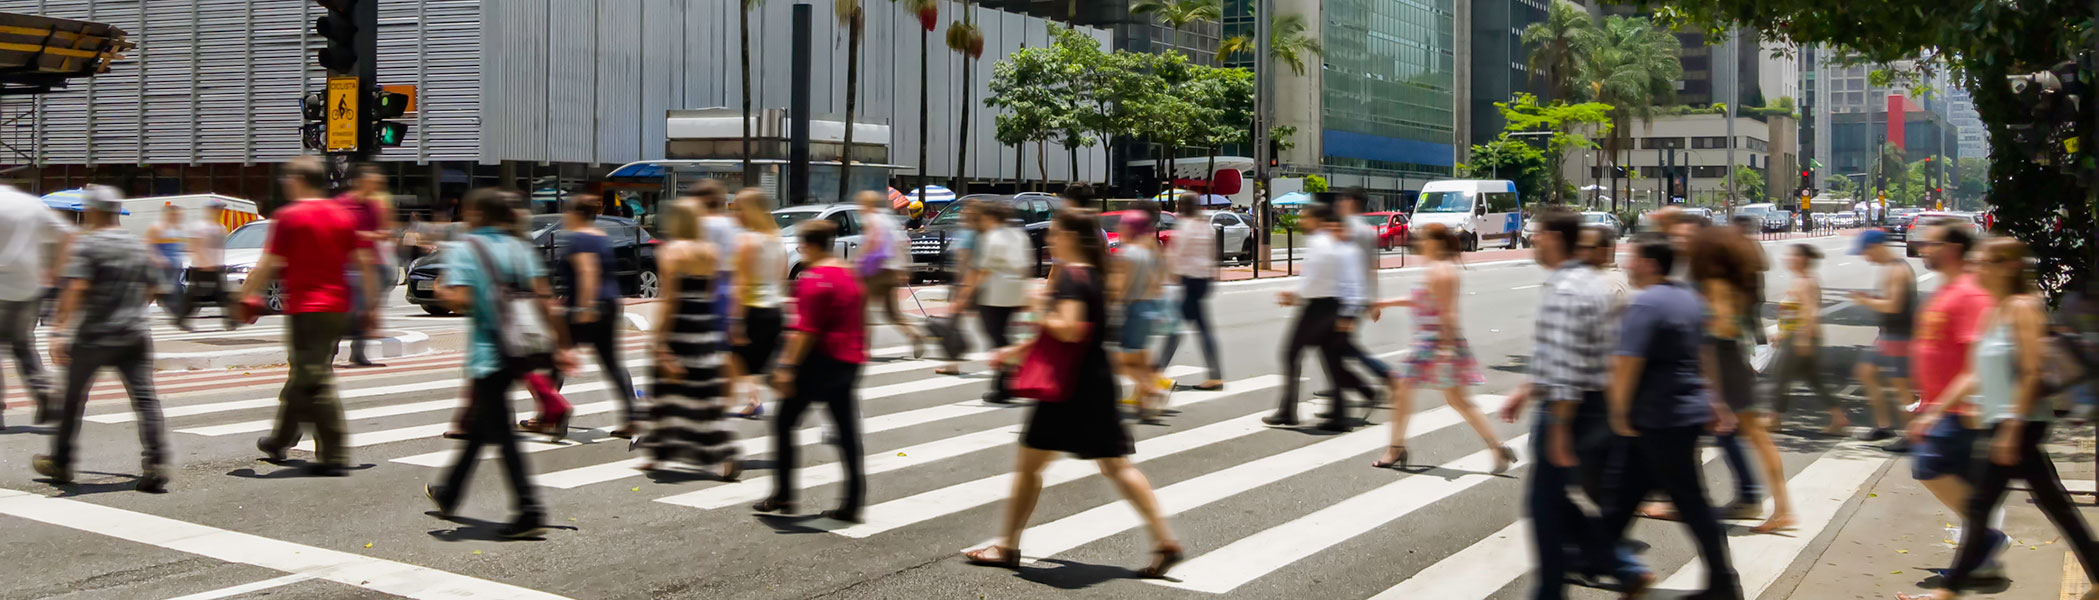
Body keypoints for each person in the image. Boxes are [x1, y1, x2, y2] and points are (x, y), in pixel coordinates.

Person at [962, 209, 1182, 578]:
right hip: (1095, 382)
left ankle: (1008, 546)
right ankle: (1165, 540)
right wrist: (1015, 351)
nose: (1049, 240)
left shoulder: (1072, 278)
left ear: (1071, 238)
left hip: (1067, 388)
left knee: (1030, 467)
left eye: (1055, 233)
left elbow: (1068, 329)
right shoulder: (1095, 275)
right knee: (1115, 465)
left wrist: (1037, 309)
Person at [1901, 238, 2099, 600]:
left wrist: (2010, 428)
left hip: (2019, 423)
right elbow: (1974, 373)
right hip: (2006, 422)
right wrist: (1934, 413)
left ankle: (1947, 592)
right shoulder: (1997, 308)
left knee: (1980, 509)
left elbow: (2030, 370)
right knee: (2054, 505)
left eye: (1985, 263)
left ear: (2008, 266)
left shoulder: (2024, 307)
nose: (1976, 268)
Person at [1493, 210, 1633, 599]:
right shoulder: (1577, 281)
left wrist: (1558, 426)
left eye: (1537, 234)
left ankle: (1554, 590)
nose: (1532, 240)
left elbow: (1569, 364)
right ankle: (1622, 566)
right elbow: (1559, 352)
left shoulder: (1569, 288)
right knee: (1552, 501)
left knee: (1544, 506)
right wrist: (1527, 389)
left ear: (1555, 238)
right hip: (1582, 402)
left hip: (1570, 407)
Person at [424, 188, 572, 539]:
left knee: (501, 432)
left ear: (476, 214)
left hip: (490, 350)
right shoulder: (520, 247)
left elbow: (462, 298)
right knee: (483, 425)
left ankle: (528, 509)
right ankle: (450, 491)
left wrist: (442, 291)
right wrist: (562, 344)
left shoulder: (468, 247)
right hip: (523, 348)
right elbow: (544, 299)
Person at [1603, 233, 1743, 600]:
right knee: (1624, 495)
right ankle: (1597, 557)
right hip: (1680, 414)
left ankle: (1724, 584)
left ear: (1650, 264)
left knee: (1690, 502)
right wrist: (1715, 400)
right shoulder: (1688, 298)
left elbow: (1627, 362)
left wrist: (1619, 412)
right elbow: (1706, 354)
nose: (1627, 264)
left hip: (1661, 417)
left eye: (1632, 258)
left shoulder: (1647, 303)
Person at [31, 186, 173, 493]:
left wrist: (58, 331)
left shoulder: (88, 245)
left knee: (72, 399)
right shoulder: (139, 245)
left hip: (94, 335)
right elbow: (156, 287)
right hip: (134, 334)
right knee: (145, 398)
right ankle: (156, 462)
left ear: (92, 211)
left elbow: (77, 288)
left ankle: (62, 461)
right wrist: (133, 309)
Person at [241, 156, 376, 477]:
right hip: (336, 309)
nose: (285, 182)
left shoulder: (289, 216)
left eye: (288, 176)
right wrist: (371, 307)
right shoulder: (343, 217)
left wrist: (244, 295)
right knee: (305, 373)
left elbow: (269, 264)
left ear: (301, 179)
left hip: (306, 309)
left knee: (314, 377)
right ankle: (280, 439)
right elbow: (364, 262)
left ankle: (334, 451)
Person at [1901, 221, 2010, 580]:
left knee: (1928, 465)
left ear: (1953, 249)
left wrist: (1937, 411)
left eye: (1932, 244)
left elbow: (1978, 360)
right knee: (1964, 480)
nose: (1924, 249)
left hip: (1964, 408)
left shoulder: (1970, 294)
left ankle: (1988, 539)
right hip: (1944, 405)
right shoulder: (1949, 290)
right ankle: (1983, 555)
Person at [1370, 223, 1513, 473]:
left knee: (1405, 391)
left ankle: (1396, 448)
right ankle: (1497, 447)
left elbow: (1447, 313)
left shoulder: (1442, 271)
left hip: (1434, 344)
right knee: (1457, 400)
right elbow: (1421, 299)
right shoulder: (1440, 269)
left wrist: (1446, 349)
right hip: (1438, 344)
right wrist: (1385, 302)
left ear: (1435, 243)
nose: (1419, 244)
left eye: (1423, 240)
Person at [754, 220, 870, 522]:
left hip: (819, 361)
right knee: (846, 431)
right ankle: (854, 500)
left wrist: (786, 367)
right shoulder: (850, 275)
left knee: (783, 422)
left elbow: (805, 331)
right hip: (849, 360)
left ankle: (784, 494)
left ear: (809, 246)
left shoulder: (814, 279)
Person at [1688, 226, 1790, 532]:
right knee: (1756, 437)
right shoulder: (1736, 282)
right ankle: (1780, 508)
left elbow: (1723, 327)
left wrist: (1701, 322)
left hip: (1725, 365)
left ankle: (1780, 509)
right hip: (1730, 363)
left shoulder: (1716, 284)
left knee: (1756, 436)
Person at [637, 197, 742, 479]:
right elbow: (710, 293)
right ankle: (724, 449)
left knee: (662, 393)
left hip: (680, 329)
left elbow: (670, 300)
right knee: (704, 394)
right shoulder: (710, 251)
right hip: (705, 327)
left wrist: (659, 341)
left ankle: (660, 451)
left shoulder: (672, 252)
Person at [534, 195, 641, 437]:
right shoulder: (601, 237)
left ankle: (551, 415)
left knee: (556, 359)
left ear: (575, 214)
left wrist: (584, 307)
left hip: (587, 307)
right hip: (610, 304)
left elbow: (587, 271)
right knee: (612, 363)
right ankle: (633, 418)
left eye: (567, 212)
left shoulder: (580, 239)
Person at [1264, 204, 1362, 432]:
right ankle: (1339, 414)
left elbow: (1314, 279)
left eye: (1304, 217)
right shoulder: (1333, 243)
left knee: (1290, 353)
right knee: (1330, 358)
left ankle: (1288, 410)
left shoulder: (1319, 243)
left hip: (1318, 307)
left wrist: (1293, 294)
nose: (1301, 221)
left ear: (1316, 220)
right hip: (1334, 306)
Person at [0, 183, 72, 426]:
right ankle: (44, 393)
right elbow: (68, 234)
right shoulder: (31, 204)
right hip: (28, 288)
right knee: (22, 344)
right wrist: (55, 269)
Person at [955, 199, 1031, 403]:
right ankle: (1005, 382)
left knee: (997, 339)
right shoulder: (1018, 235)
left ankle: (1005, 384)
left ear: (990, 217)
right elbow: (1026, 266)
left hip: (994, 295)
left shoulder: (992, 237)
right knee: (1003, 337)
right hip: (1015, 292)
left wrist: (964, 296)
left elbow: (981, 271)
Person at [1763, 244, 1843, 431]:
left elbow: (1810, 312)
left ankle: (1774, 419)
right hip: (1798, 337)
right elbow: (1795, 313)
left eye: (1793, 256)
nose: (1788, 259)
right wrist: (1782, 333)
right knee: (1814, 380)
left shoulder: (1806, 282)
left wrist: (1802, 339)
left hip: (1800, 339)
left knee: (1780, 377)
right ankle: (1839, 419)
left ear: (1802, 260)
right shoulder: (1801, 280)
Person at [1850, 229, 1917, 444]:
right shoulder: (1889, 268)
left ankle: (1913, 434)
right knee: (1866, 372)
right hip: (1888, 334)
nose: (1865, 257)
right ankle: (1884, 425)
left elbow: (1894, 305)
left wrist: (1865, 301)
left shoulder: (1898, 270)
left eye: (1865, 252)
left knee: (1901, 385)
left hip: (1900, 335)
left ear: (1876, 247)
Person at [1156, 192, 1225, 391]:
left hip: (1188, 282)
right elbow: (1214, 254)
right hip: (1203, 281)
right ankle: (1215, 375)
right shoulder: (1205, 227)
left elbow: (1175, 257)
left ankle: (1157, 373)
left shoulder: (1185, 227)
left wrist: (1166, 279)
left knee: (1175, 330)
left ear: (1181, 207)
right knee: (1200, 328)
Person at [730, 188, 787, 419]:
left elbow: (740, 283)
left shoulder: (747, 241)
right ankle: (754, 401)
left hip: (753, 311)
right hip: (774, 310)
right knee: (758, 366)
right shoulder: (776, 238)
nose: (736, 214)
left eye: (738, 209)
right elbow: (782, 275)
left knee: (733, 362)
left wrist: (736, 321)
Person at [1111, 210, 1169, 424]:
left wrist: (1110, 303)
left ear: (1128, 229)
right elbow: (1157, 283)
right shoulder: (1147, 253)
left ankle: (1151, 390)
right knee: (1140, 361)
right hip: (1148, 308)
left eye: (1122, 225)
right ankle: (1146, 405)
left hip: (1132, 311)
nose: (1118, 229)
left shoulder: (1126, 254)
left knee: (1120, 362)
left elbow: (1120, 287)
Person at [337, 164, 396, 367]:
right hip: (346, 263)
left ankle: (358, 350)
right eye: (372, 181)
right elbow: (340, 233)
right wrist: (370, 235)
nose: (376, 186)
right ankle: (331, 349)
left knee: (364, 309)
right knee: (345, 309)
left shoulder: (373, 206)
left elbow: (385, 230)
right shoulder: (343, 204)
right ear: (360, 181)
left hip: (369, 263)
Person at [855, 190, 925, 357]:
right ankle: (915, 334)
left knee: (861, 308)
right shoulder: (887, 219)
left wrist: (857, 262)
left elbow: (872, 243)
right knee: (892, 312)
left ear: (867, 205)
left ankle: (864, 348)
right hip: (892, 270)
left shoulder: (871, 219)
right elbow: (901, 243)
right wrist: (904, 268)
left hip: (877, 270)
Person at [173, 199, 233, 332]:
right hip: (201, 267)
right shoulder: (200, 227)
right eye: (218, 209)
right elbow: (194, 246)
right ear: (210, 210)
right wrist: (204, 262)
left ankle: (231, 320)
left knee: (222, 294)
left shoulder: (221, 227)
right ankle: (181, 319)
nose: (220, 212)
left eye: (221, 209)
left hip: (217, 266)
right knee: (194, 295)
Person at [143, 206, 189, 315]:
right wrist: (157, 259)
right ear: (168, 214)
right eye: (176, 214)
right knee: (156, 291)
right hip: (160, 268)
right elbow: (147, 246)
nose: (179, 217)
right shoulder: (157, 228)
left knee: (167, 292)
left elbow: (181, 247)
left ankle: (180, 317)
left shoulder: (178, 229)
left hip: (175, 267)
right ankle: (138, 311)